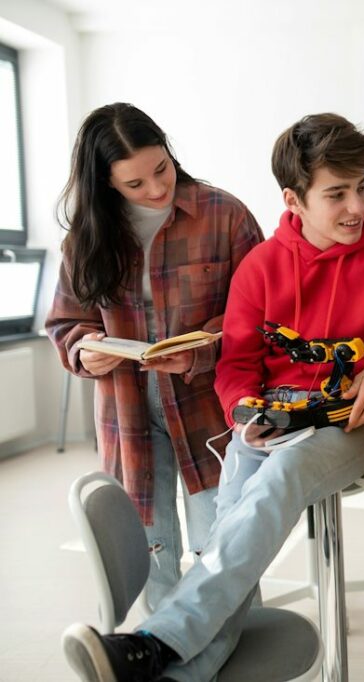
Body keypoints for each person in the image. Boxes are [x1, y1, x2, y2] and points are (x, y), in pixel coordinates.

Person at [61, 113, 364, 682]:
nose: (356, 206)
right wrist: (242, 409)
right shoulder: (260, 267)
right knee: (231, 526)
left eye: (361, 188)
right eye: (337, 194)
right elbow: (236, 363)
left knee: (280, 479)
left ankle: (149, 642)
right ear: (294, 199)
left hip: (359, 421)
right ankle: (169, 666)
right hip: (275, 421)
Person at [46, 103, 264, 610]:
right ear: (106, 183)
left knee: (224, 546)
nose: (156, 190)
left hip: (208, 404)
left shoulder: (224, 214)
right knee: (151, 552)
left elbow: (261, 315)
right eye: (135, 184)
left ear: (169, 150)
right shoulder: (86, 238)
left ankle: (238, 653)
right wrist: (84, 349)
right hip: (127, 411)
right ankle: (165, 656)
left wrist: (197, 353)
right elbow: (64, 323)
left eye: (160, 170)